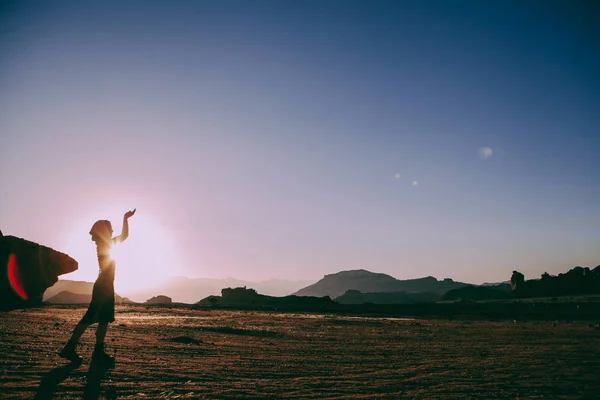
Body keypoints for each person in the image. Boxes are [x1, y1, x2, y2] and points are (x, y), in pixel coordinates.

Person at [59, 209, 136, 363]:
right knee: (91, 318)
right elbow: (125, 236)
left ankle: (94, 351)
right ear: (105, 231)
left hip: (105, 285)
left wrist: (125, 219)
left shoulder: (104, 244)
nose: (113, 231)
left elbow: (123, 237)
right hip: (104, 286)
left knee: (103, 318)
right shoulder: (104, 244)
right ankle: (72, 348)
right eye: (111, 229)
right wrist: (125, 218)